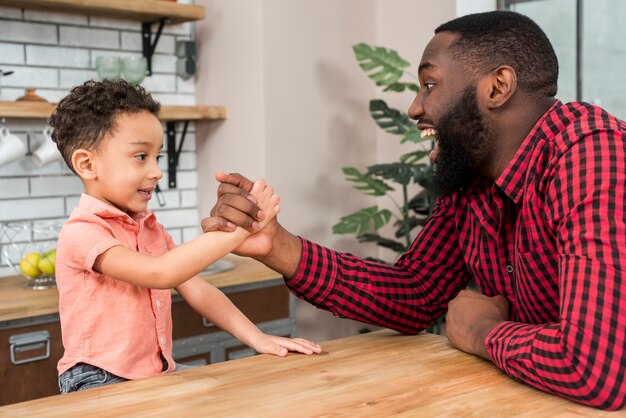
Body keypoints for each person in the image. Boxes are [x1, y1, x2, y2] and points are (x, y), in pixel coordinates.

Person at [202, 11, 626, 410]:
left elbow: (594, 369)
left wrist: (482, 332)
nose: (414, 108)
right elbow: (417, 291)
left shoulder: (590, 153)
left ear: (497, 87)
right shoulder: (474, 180)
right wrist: (277, 246)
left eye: (430, 84)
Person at [50, 79, 321, 393]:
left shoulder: (151, 229)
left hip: (155, 372)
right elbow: (160, 273)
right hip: (98, 379)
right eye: (141, 157)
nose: (156, 171)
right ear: (87, 164)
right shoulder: (82, 232)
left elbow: (200, 291)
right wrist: (243, 229)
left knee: (228, 394)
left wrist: (257, 338)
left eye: (158, 157)